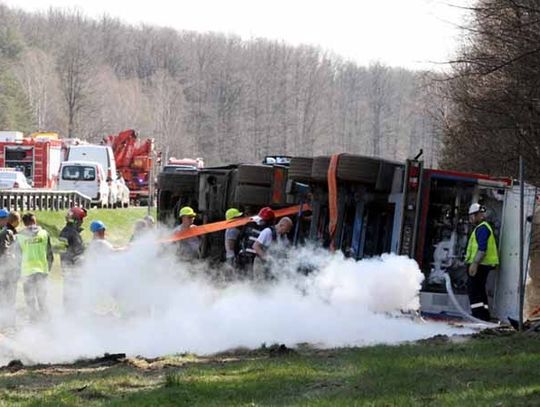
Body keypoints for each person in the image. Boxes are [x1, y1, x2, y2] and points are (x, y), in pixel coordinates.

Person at [465, 203, 499, 321]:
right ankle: (484, 316)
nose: (471, 219)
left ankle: (478, 317)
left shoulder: (482, 228)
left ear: (479, 215)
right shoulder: (482, 228)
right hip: (483, 266)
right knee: (480, 291)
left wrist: (474, 263)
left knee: (474, 292)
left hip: (480, 265)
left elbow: (482, 249)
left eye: (472, 216)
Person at [17, 213, 54, 322]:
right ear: (34, 221)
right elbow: (50, 254)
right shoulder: (44, 233)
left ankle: (34, 323)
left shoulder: (19, 236)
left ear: (24, 223)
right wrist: (48, 269)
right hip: (42, 271)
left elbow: (17, 257)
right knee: (42, 299)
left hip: (27, 272)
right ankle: (46, 322)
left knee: (30, 300)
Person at [59, 207, 87, 309]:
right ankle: (72, 316)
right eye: (81, 219)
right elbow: (77, 253)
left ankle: (70, 316)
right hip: (73, 268)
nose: (82, 222)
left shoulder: (67, 231)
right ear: (75, 220)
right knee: (74, 294)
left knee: (70, 293)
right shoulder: (71, 233)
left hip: (69, 267)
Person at [236, 207, 276, 271]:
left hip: (244, 255)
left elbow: (239, 239)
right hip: (251, 258)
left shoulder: (249, 224)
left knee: (242, 278)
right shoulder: (267, 230)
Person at [0, 211, 21, 328]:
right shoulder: (6, 232)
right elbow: (6, 252)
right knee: (9, 297)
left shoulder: (5, 231)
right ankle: (8, 323)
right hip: (7, 271)